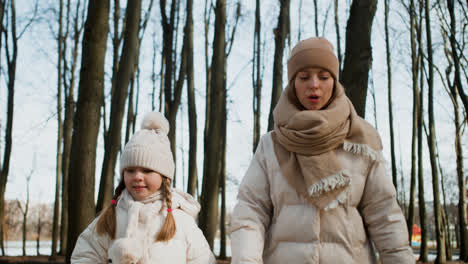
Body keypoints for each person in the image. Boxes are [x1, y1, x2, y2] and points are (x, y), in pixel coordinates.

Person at [230, 37, 414, 264]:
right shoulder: (271, 145)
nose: (314, 84)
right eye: (304, 77)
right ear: (293, 83)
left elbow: (385, 216)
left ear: (335, 82)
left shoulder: (361, 141)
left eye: (323, 77)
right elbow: (250, 211)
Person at [71, 111, 216, 264]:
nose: (137, 176)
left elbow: (203, 260)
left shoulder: (181, 220)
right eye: (130, 170)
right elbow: (84, 256)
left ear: (164, 176)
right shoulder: (110, 218)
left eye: (147, 170)